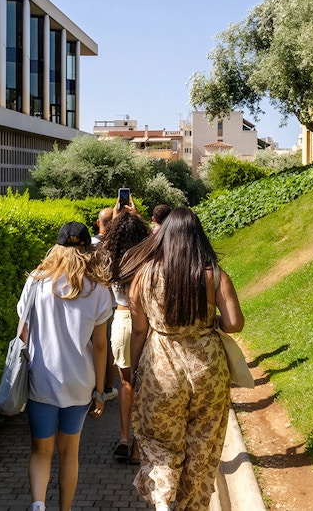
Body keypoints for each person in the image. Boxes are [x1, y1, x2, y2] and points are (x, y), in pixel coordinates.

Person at [119, 208, 245, 511]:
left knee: (161, 446)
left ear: (163, 236)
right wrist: (210, 320)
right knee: (201, 450)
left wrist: (134, 371)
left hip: (160, 367)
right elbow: (234, 324)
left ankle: (162, 502)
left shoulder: (143, 276)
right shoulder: (214, 274)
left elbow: (138, 331)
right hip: (208, 370)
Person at [17, 221, 113, 511]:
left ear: (56, 246)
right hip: (80, 383)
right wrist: (100, 390)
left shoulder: (36, 280)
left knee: (40, 451)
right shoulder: (97, 290)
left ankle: (37, 505)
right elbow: (99, 346)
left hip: (42, 380)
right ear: (87, 248)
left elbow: (23, 332)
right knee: (69, 452)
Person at [100, 207, 151, 464]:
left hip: (121, 319)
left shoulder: (112, 255)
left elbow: (103, 236)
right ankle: (139, 446)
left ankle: (123, 436)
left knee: (126, 383)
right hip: (147, 319)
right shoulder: (148, 255)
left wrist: (118, 216)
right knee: (145, 383)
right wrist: (137, 214)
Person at [91, 206, 119, 401]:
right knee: (109, 347)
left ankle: (92, 385)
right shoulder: (119, 244)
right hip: (112, 303)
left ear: (97, 223)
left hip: (89, 301)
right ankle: (108, 388)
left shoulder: (90, 245)